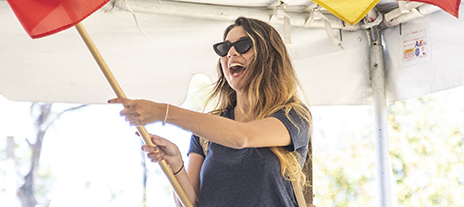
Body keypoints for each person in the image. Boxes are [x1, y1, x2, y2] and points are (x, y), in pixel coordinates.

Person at [108, 16, 312, 207]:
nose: (231, 53)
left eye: (243, 45)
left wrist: (164, 112)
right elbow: (191, 203)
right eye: (224, 48)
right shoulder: (206, 132)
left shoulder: (293, 116)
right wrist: (176, 164)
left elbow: (241, 137)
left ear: (269, 56)